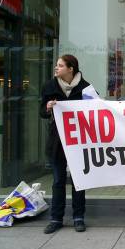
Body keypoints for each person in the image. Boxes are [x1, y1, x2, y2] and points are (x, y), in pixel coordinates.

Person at [40, 54, 91, 234]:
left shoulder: (86, 88)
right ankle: (56, 219)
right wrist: (47, 108)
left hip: (78, 141)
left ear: (71, 69)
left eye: (60, 66)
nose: (56, 68)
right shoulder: (49, 86)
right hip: (57, 142)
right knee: (58, 180)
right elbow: (42, 112)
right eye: (56, 65)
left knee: (79, 181)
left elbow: (97, 110)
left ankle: (78, 217)